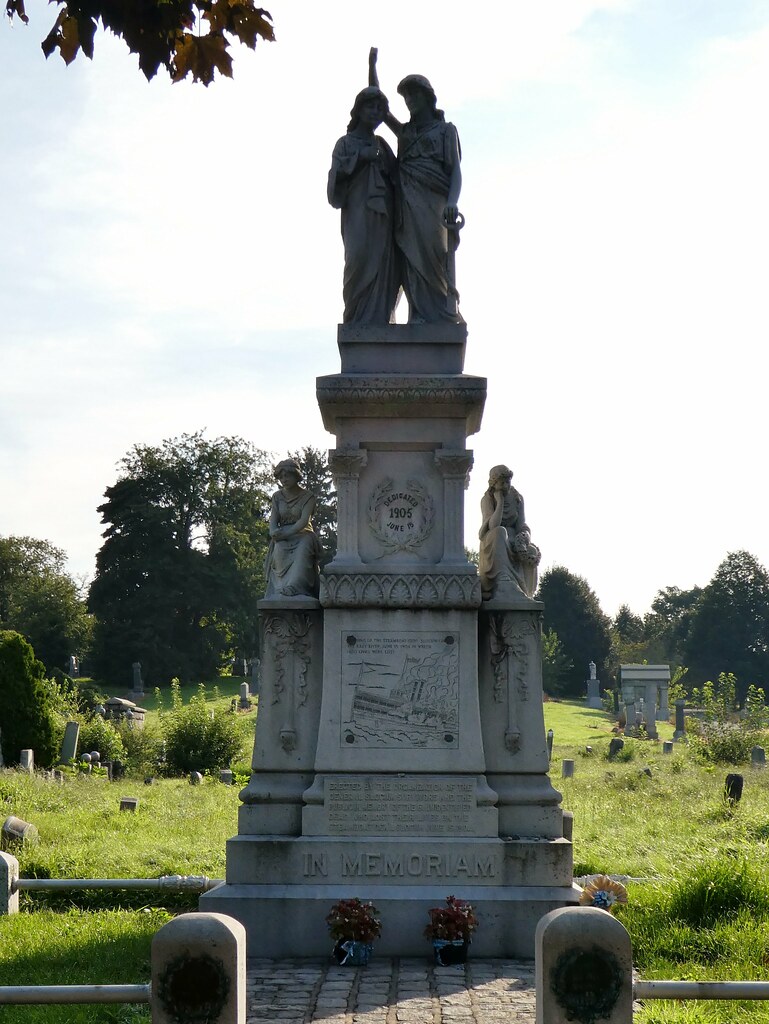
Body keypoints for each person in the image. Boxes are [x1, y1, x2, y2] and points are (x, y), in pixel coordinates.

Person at [370, 48, 463, 324]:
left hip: (434, 202)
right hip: (406, 203)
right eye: (406, 96)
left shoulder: (446, 131)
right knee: (410, 257)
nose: (409, 100)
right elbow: (379, 106)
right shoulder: (406, 132)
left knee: (434, 257)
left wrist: (452, 201)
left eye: (414, 94)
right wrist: (372, 66)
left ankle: (440, 316)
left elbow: (455, 171)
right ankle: (418, 316)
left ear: (427, 97)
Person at [328, 86, 400, 324]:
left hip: (383, 218)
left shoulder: (382, 146)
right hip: (358, 215)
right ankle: (356, 317)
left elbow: (401, 181)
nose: (376, 113)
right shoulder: (345, 144)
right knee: (358, 260)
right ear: (358, 110)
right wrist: (360, 159)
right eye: (371, 106)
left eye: (381, 109)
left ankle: (380, 319)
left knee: (383, 265)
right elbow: (334, 189)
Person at [478, 465, 541, 600]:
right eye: (502, 483)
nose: (506, 486)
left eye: (508, 482)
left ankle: (527, 593)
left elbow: (522, 525)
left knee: (532, 551)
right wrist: (499, 502)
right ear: (494, 484)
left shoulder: (517, 498)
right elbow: (493, 525)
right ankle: (503, 580)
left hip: (513, 540)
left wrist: (524, 538)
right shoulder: (487, 499)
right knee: (500, 532)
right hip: (494, 539)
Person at [264, 459, 321, 598]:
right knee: (279, 548)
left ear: (296, 476)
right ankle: (280, 589)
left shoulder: (308, 497)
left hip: (303, 534)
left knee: (304, 548)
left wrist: (286, 534)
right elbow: (274, 519)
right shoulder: (277, 496)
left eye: (287, 476)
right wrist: (273, 532)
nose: (284, 479)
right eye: (281, 477)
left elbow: (303, 521)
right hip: (283, 535)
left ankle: (295, 587)